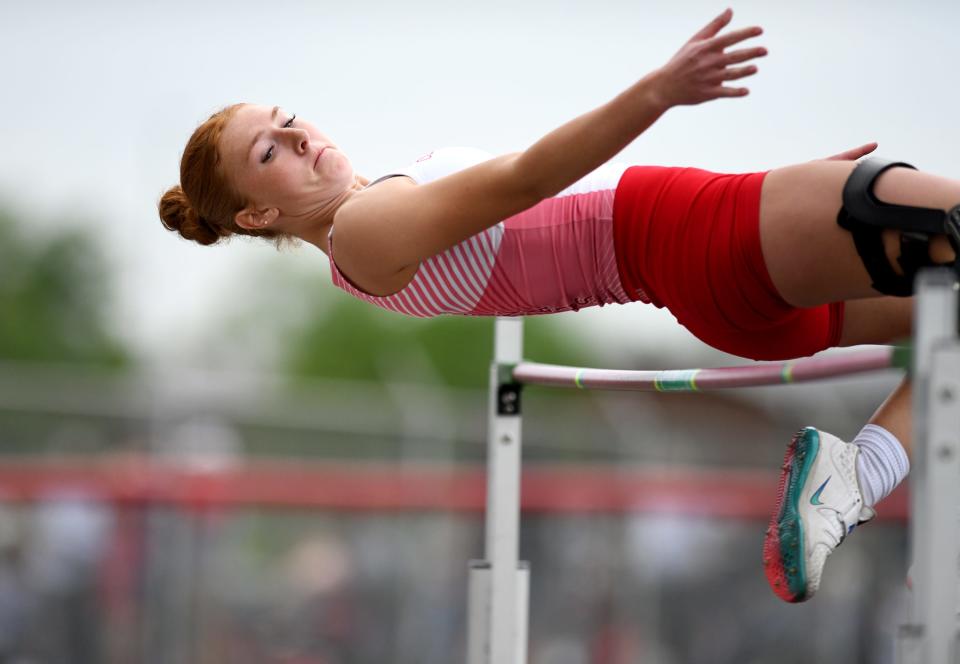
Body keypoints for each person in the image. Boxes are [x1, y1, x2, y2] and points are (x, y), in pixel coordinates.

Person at [158, 8, 959, 604]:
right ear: (256, 217)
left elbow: (548, 214)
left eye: (288, 119)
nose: (299, 137)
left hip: (706, 263)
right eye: (271, 151)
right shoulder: (363, 231)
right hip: (683, 239)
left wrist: (778, 209)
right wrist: (659, 91)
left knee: (948, 323)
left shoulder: (367, 235)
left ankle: (858, 475)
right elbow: (527, 182)